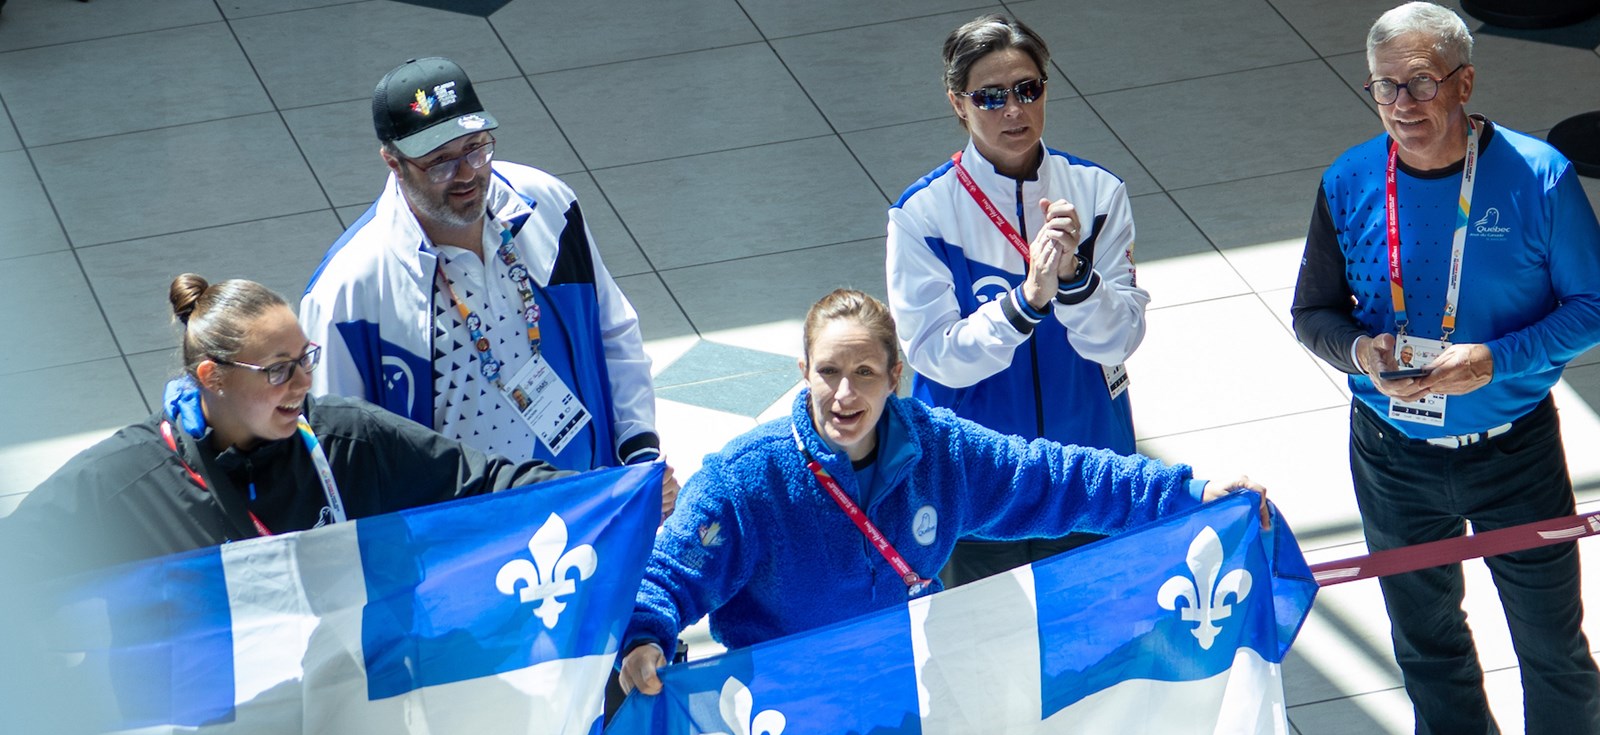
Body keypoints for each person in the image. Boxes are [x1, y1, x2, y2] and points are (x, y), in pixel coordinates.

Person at [1291, 4, 1600, 735]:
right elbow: (1314, 312)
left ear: (1465, 83)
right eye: (1384, 84)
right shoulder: (1350, 180)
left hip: (1513, 451)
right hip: (1392, 451)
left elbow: (1592, 304)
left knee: (1551, 645)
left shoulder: (1539, 177)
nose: (1401, 102)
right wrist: (1361, 355)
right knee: (1424, 634)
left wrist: (1493, 359)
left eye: (1421, 82)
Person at [618, 290, 1264, 694]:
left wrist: (1193, 492)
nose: (845, 395)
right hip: (782, 707)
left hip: (902, 694)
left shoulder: (938, 452)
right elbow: (669, 575)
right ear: (803, 374)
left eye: (865, 373)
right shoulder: (748, 479)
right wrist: (644, 638)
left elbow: (1054, 477)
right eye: (829, 373)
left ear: (896, 376)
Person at [299, 57, 676, 517]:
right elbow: (339, 448)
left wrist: (637, 453)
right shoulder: (348, 288)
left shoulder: (549, 206)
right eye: (439, 162)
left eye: (476, 148)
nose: (466, 174)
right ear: (393, 162)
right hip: (460, 549)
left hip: (586, 507)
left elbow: (614, 331)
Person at [3, 274, 571, 577]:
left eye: (306, 359)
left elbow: (488, 482)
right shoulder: (128, 479)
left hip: (344, 716)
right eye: (278, 370)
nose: (302, 383)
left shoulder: (349, 440)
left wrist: (620, 493)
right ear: (212, 376)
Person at [886, 13, 1150, 588]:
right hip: (974, 484)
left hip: (1089, 466)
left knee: (1096, 658)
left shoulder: (1099, 192)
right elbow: (935, 355)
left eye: (1028, 90)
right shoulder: (923, 214)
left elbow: (1119, 338)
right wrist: (1026, 302)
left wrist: (1076, 278)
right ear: (958, 103)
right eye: (991, 97)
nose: (1014, 110)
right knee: (981, 665)